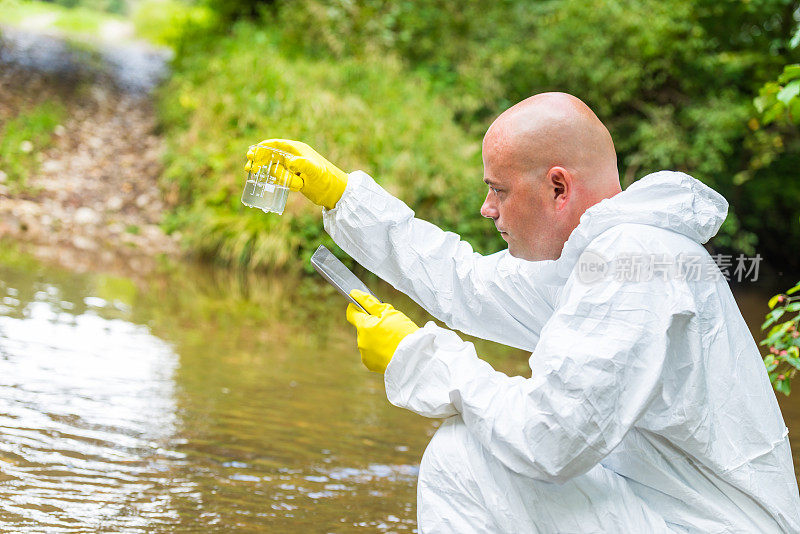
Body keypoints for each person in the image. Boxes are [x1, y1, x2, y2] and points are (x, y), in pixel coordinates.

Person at [246, 92, 800, 533]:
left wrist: (417, 356)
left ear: (558, 186)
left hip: (702, 525)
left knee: (462, 457)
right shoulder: (608, 258)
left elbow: (549, 438)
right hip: (670, 512)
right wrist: (344, 198)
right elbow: (466, 285)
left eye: (499, 190)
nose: (487, 208)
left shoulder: (633, 264)